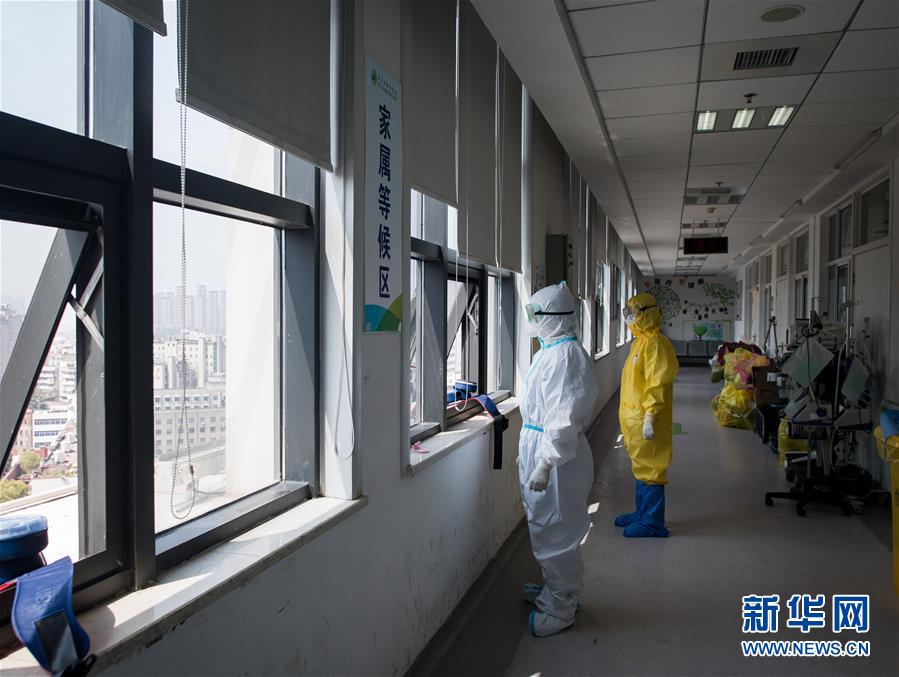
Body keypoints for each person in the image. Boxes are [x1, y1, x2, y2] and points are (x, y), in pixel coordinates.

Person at [519, 281, 598, 637]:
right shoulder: (550, 350)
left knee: (557, 528)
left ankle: (562, 606)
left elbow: (563, 417)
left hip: (556, 457)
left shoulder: (565, 357)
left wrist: (546, 461)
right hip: (541, 446)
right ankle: (554, 589)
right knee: (543, 523)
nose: (531, 321)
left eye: (535, 315)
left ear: (553, 317)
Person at [615, 293, 679, 538]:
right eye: (627, 312)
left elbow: (657, 382)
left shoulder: (656, 344)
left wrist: (650, 416)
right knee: (641, 465)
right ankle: (641, 513)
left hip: (647, 418)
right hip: (634, 418)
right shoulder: (639, 342)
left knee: (652, 468)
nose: (629, 318)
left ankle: (653, 522)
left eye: (633, 312)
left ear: (647, 313)